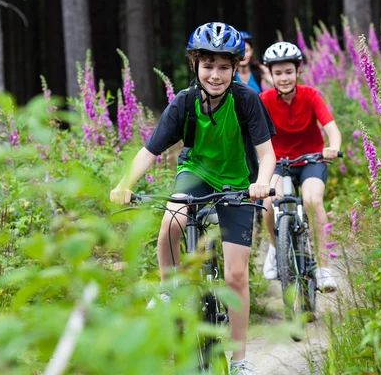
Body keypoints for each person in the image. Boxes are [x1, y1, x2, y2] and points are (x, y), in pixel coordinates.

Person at [110, 22, 276, 375]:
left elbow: (266, 155)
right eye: (208, 66)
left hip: (238, 183)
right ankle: (169, 286)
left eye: (223, 67)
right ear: (195, 66)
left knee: (235, 276)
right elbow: (148, 151)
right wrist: (124, 183)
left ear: (234, 68)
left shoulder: (247, 100)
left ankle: (241, 359)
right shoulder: (183, 103)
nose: (215, 75)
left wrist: (261, 182)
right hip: (196, 172)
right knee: (173, 217)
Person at [259, 41, 342, 292]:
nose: (283, 78)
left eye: (288, 72)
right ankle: (275, 247)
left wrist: (332, 146)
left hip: (311, 160)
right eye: (278, 73)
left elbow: (330, 127)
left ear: (297, 72)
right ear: (270, 75)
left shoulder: (311, 95)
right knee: (268, 201)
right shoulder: (263, 100)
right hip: (278, 163)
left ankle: (325, 268)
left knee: (312, 200)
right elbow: (253, 135)